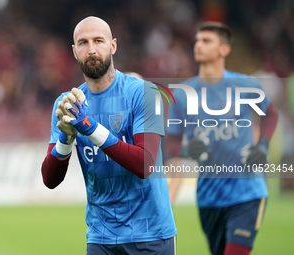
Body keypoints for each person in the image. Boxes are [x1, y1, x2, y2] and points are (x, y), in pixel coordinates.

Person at [41, 16, 177, 255]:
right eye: (83, 43)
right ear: (74, 51)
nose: (91, 49)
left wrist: (89, 127)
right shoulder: (67, 104)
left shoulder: (144, 93)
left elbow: (145, 164)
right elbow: (50, 180)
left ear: (113, 45)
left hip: (151, 235)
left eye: (98, 41)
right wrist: (66, 138)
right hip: (101, 237)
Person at [165, 22, 278, 255]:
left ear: (224, 50)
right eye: (197, 40)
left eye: (207, 41)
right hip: (209, 196)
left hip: (247, 192)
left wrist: (263, 146)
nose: (198, 45)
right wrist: (188, 151)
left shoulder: (246, 86)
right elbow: (171, 144)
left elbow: (271, 114)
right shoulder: (182, 94)